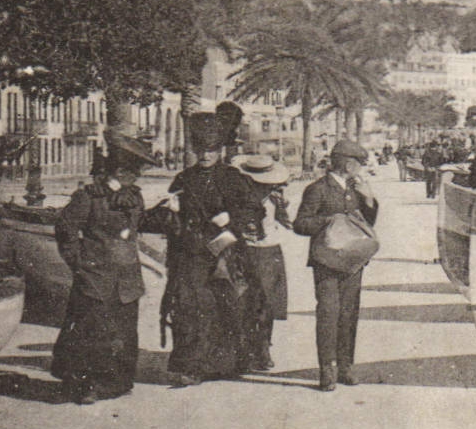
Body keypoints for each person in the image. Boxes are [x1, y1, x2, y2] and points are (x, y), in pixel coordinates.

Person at [50, 134, 157, 403]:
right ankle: (87, 386)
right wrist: (78, 264)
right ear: (117, 170)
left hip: (127, 278)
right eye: (130, 171)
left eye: (136, 172)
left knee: (123, 331)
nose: (135, 177)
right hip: (96, 277)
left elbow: (136, 228)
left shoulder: (134, 197)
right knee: (91, 332)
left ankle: (117, 382)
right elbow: (65, 229)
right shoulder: (89, 197)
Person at [156, 110, 259, 388]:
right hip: (190, 253)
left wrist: (231, 219)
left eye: (211, 150)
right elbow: (163, 218)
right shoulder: (183, 179)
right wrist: (172, 211)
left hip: (226, 253)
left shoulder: (233, 178)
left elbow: (254, 211)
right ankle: (192, 367)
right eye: (201, 149)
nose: (206, 155)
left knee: (228, 307)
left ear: (221, 150)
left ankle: (225, 363)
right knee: (191, 308)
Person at [294, 139, 379, 392]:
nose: (360, 169)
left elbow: (368, 223)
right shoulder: (317, 189)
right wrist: (329, 221)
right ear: (347, 164)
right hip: (326, 262)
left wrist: (370, 200)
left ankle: (345, 366)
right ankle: (327, 370)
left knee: (349, 314)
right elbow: (300, 224)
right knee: (329, 315)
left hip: (353, 262)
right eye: (358, 164)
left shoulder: (356, 189)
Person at [233, 154, 293, 373]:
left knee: (267, 304)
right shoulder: (239, 197)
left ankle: (263, 347)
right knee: (244, 302)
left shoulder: (276, 197)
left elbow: (288, 224)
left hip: (269, 251)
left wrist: (283, 208)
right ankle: (245, 350)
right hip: (244, 251)